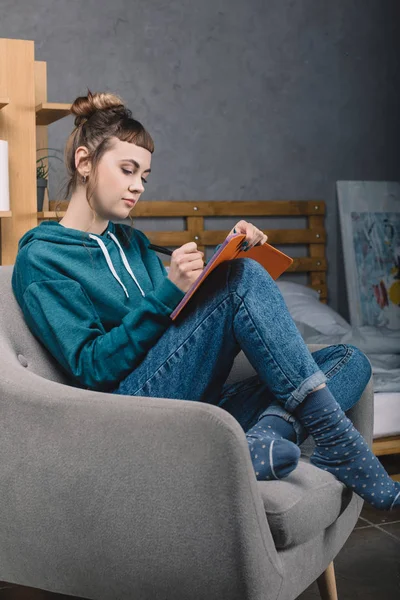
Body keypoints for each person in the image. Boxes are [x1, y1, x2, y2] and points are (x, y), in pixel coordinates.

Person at [11, 90, 399, 512]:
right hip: (126, 413)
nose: (138, 186)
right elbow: (92, 369)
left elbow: (181, 328)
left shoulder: (133, 243)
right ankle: (337, 442)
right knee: (242, 278)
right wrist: (173, 291)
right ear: (84, 163)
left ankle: (267, 437)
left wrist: (229, 255)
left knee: (349, 360)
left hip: (194, 400)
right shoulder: (43, 257)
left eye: (145, 175)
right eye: (127, 170)